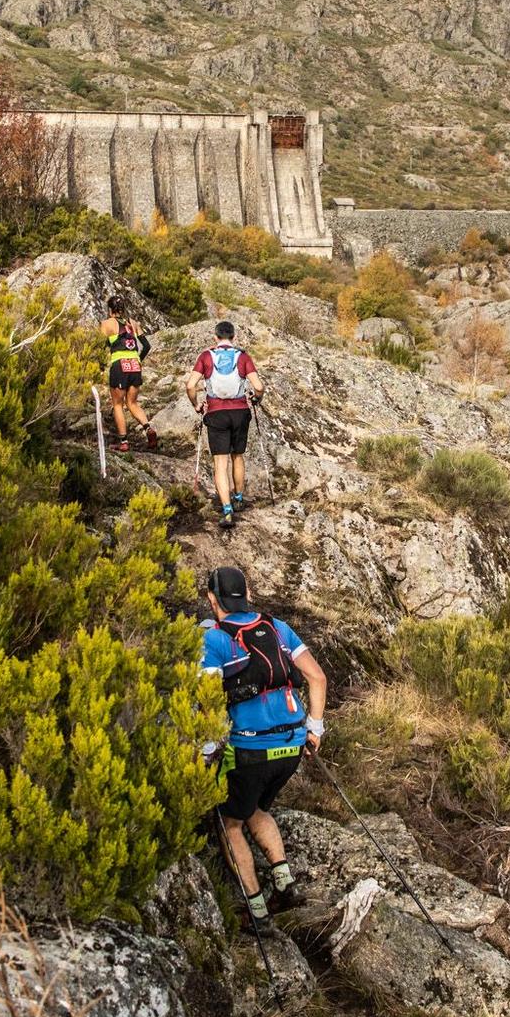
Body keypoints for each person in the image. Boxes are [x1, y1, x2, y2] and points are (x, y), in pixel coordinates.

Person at [199, 565, 326, 931]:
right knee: (254, 807)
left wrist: (207, 751)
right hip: (292, 744)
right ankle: (284, 881)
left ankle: (256, 911)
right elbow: (317, 677)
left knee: (230, 821)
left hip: (249, 749)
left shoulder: (214, 639)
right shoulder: (278, 628)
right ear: (248, 593)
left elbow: (207, 699)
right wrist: (314, 728)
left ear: (212, 599)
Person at [183, 320, 264, 528]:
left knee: (220, 463)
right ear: (233, 337)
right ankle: (238, 498)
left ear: (215, 338)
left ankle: (227, 510)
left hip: (216, 413)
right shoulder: (242, 356)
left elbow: (190, 385)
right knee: (238, 456)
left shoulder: (206, 356)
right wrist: (256, 398)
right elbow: (259, 386)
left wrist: (196, 405)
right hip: (239, 412)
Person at [99, 298, 157, 453]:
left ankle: (124, 442)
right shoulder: (133, 323)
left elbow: (101, 346)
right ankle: (148, 428)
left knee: (118, 405)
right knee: (133, 403)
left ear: (110, 309)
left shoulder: (107, 324)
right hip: (134, 365)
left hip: (119, 365)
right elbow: (147, 346)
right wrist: (138, 360)